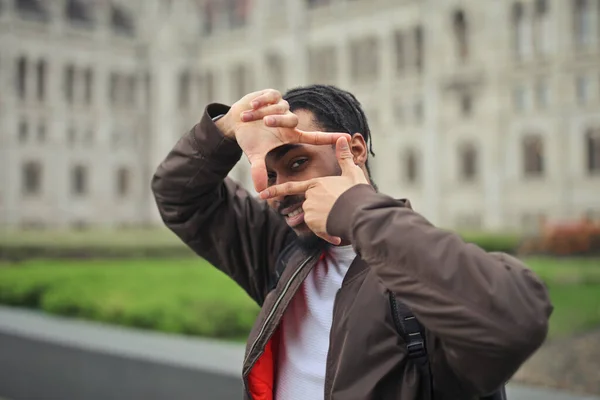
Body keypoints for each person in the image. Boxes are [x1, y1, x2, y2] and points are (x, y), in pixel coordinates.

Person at [151, 84, 553, 400]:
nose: (281, 189)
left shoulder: (416, 274)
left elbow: (514, 320)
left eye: (296, 163)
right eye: (271, 175)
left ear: (355, 151)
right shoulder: (285, 254)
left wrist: (353, 207)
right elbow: (179, 196)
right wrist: (226, 128)